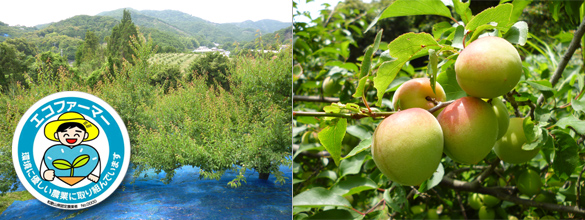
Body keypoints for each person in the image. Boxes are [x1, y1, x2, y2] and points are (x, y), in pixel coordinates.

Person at [40, 112, 101, 186]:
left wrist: (94, 175)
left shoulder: (90, 151)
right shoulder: (52, 151)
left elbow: (96, 162)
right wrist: (45, 174)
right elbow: (44, 164)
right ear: (56, 135)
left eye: (77, 134)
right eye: (65, 134)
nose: (71, 137)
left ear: (85, 135)